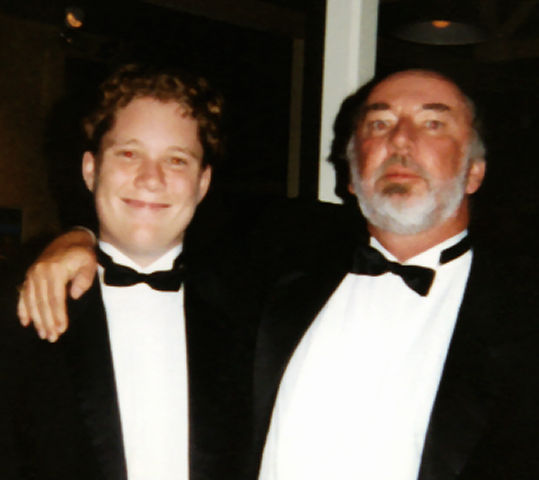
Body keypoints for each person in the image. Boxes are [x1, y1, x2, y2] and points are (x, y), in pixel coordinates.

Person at [17, 70, 539, 479]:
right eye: (379, 124)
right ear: (351, 173)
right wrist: (79, 237)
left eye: (433, 124)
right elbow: (145, 226)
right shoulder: (278, 269)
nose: (400, 141)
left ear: (475, 170)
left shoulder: (522, 316)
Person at [7, 64, 254, 480]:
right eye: (129, 154)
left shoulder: (252, 319)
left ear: (202, 183)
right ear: (91, 170)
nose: (151, 179)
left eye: (176, 160)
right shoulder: (21, 312)